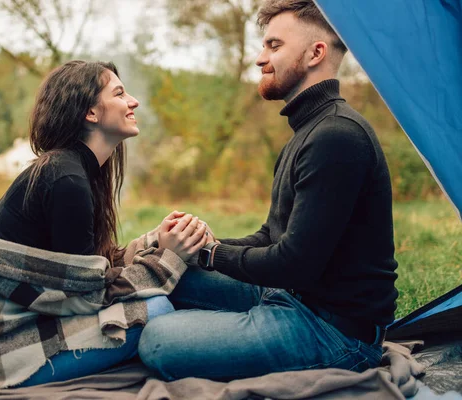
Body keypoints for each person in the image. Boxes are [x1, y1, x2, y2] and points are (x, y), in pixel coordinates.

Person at [138, 0, 399, 381]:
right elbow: (270, 236)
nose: (260, 58)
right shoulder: (307, 131)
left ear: (316, 53)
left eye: (274, 46)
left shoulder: (337, 137)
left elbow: (294, 263)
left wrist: (212, 255)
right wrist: (196, 247)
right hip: (288, 295)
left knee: (157, 340)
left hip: (332, 330)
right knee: (170, 274)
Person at [0, 60, 207, 387]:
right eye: (119, 93)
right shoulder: (66, 179)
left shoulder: (73, 171)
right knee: (156, 309)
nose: (133, 101)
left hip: (0, 330)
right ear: (91, 113)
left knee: (153, 300)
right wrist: (168, 259)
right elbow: (85, 295)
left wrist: (155, 243)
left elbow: (84, 273)